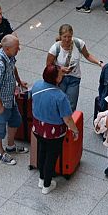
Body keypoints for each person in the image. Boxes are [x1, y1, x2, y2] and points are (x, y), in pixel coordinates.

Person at [31, 64, 79, 194]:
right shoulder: (60, 97)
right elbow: (67, 119)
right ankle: (47, 184)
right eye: (60, 74)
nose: (62, 75)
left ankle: (41, 178)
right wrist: (75, 130)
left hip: (38, 128)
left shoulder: (36, 86)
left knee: (42, 151)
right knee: (51, 157)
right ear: (56, 79)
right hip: (54, 133)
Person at [0, 35, 29, 165]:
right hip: (1, 102)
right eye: (17, 47)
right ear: (7, 48)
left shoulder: (9, 57)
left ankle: (10, 146)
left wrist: (19, 81)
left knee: (16, 120)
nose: (19, 49)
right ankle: (0, 152)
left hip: (10, 99)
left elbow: (13, 68)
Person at [45, 24, 103, 111]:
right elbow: (49, 65)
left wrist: (99, 63)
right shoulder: (55, 48)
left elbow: (87, 55)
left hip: (74, 78)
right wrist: (61, 69)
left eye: (69, 36)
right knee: (59, 102)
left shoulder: (78, 43)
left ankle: (69, 121)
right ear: (60, 36)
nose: (67, 39)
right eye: (64, 37)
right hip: (61, 78)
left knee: (71, 105)